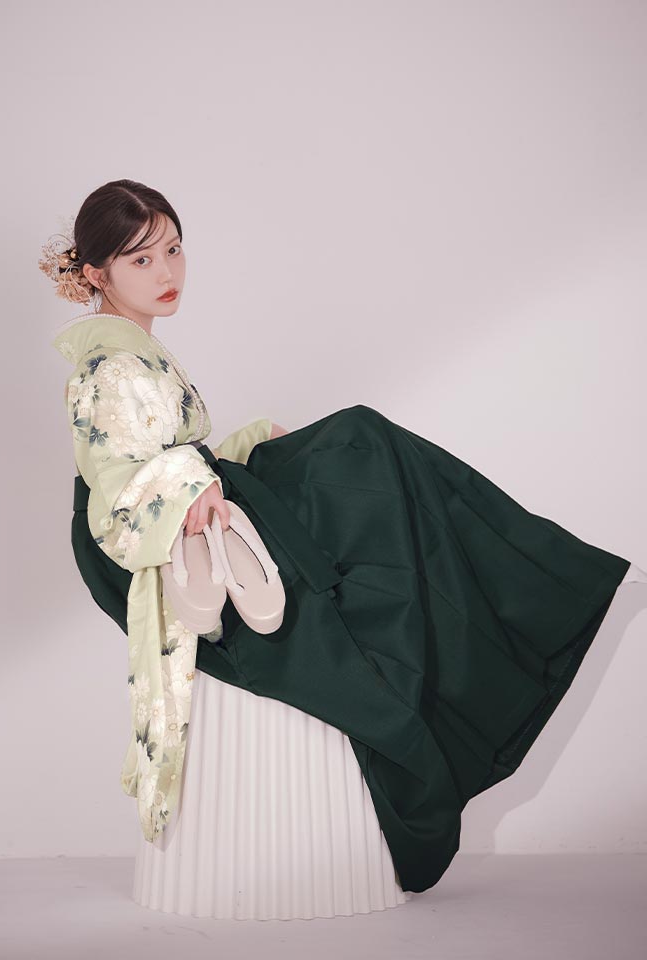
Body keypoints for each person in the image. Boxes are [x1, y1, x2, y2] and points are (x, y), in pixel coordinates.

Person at [41, 178, 643, 915]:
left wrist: (243, 445)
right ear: (97, 273)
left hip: (204, 498)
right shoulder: (108, 369)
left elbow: (178, 453)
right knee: (366, 450)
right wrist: (184, 484)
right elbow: (112, 494)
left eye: (173, 250)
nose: (166, 273)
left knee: (370, 453)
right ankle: (539, 585)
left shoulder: (136, 353)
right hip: (168, 533)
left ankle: (530, 583)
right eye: (141, 260)